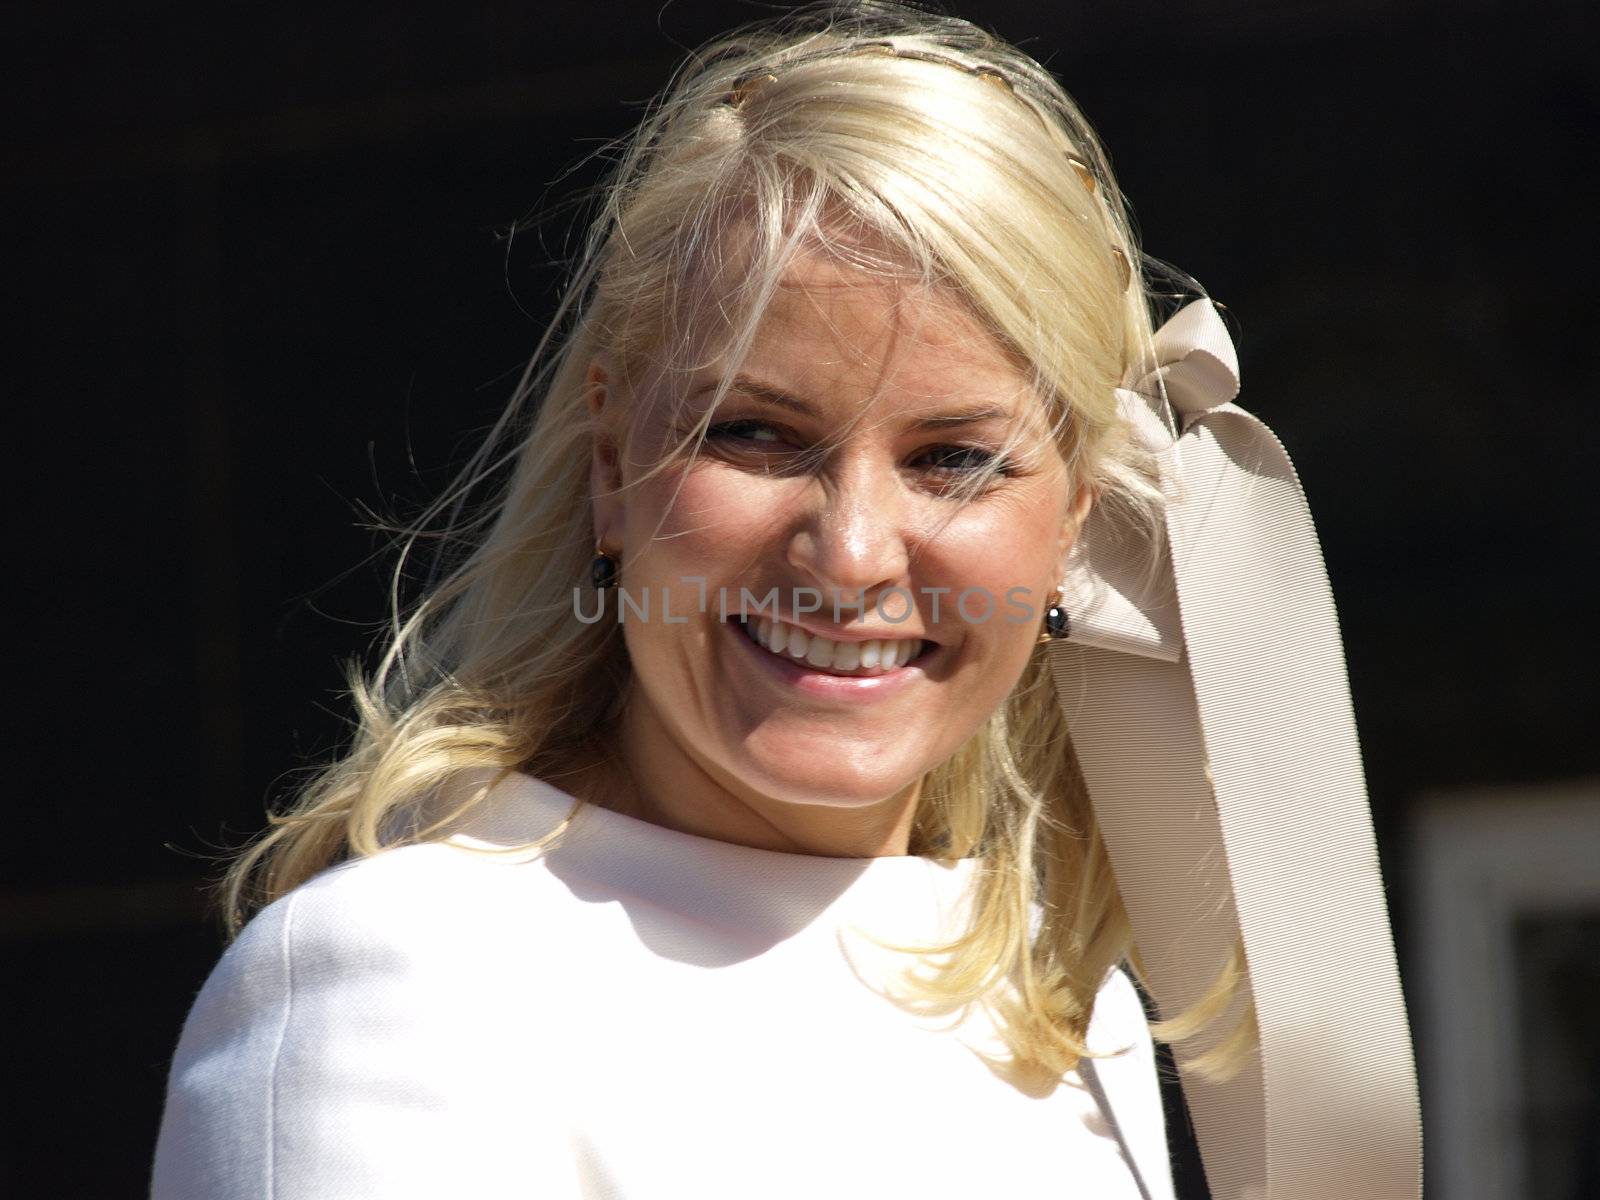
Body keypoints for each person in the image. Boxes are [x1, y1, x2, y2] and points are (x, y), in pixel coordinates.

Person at [150, 4, 1422, 1198]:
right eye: (755, 434)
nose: (855, 552)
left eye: (952, 460)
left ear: (1074, 516)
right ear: (610, 464)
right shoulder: (404, 982)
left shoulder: (1055, 1004)